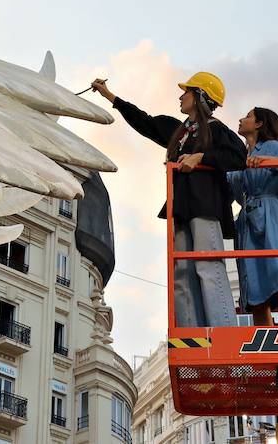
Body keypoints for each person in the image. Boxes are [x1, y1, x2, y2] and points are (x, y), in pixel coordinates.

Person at [90, 72, 245, 328]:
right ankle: (190, 333)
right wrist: (111, 97)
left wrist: (201, 158)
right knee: (182, 272)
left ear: (200, 97)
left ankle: (221, 331)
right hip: (182, 209)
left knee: (208, 267)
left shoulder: (217, 130)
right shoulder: (180, 131)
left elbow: (238, 158)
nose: (181, 95)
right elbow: (146, 123)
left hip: (205, 208)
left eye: (187, 91)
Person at [229, 107, 278, 326]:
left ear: (259, 124)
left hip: (270, 215)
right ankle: (268, 354)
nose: (240, 119)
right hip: (246, 222)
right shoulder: (238, 155)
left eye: (247, 116)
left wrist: (266, 159)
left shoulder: (273, 147)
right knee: (254, 291)